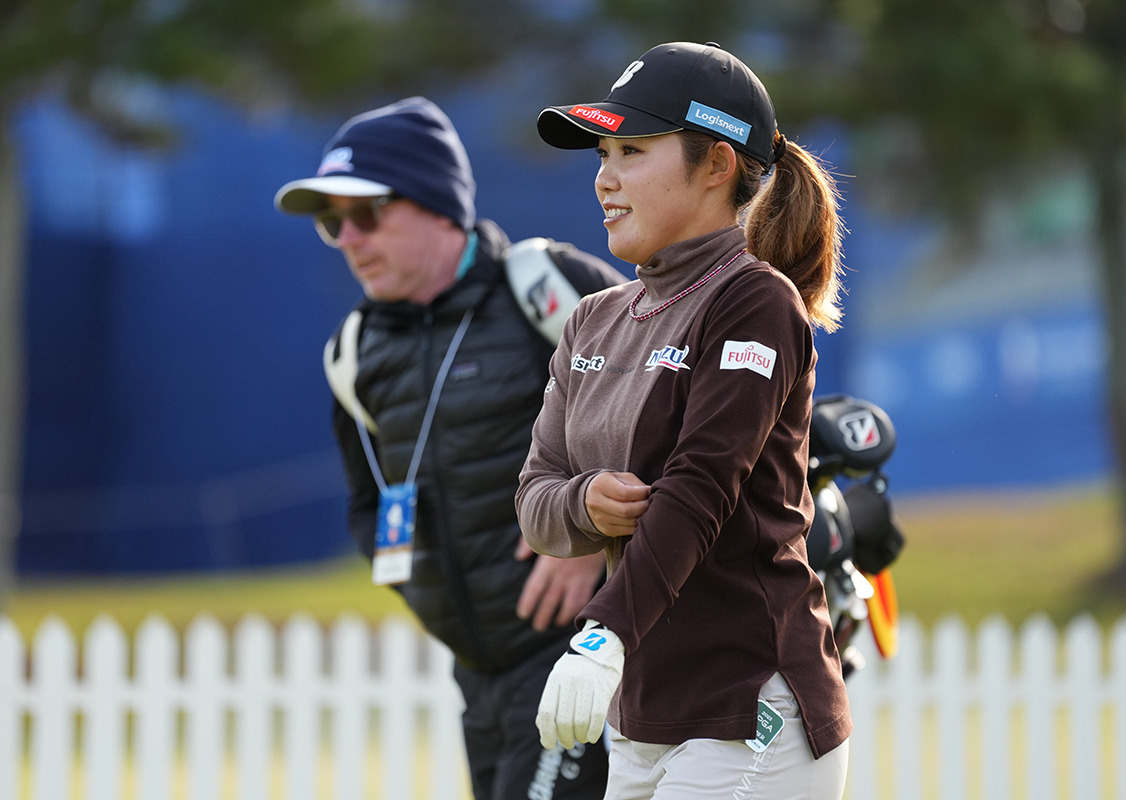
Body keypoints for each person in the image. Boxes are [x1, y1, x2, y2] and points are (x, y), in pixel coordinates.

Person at [515, 42, 852, 799]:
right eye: (603, 154)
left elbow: (701, 486)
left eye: (632, 151)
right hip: (643, 718)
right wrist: (584, 501)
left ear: (717, 164)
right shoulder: (593, 319)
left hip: (753, 710)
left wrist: (602, 634)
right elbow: (536, 498)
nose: (605, 177)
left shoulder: (754, 299)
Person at [274, 96, 626, 800]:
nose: (349, 239)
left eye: (366, 213)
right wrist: (429, 593)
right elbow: (368, 505)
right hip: (476, 671)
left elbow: (673, 409)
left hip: (581, 654)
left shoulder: (547, 288)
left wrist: (589, 538)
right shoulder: (353, 353)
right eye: (332, 222)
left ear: (439, 207)